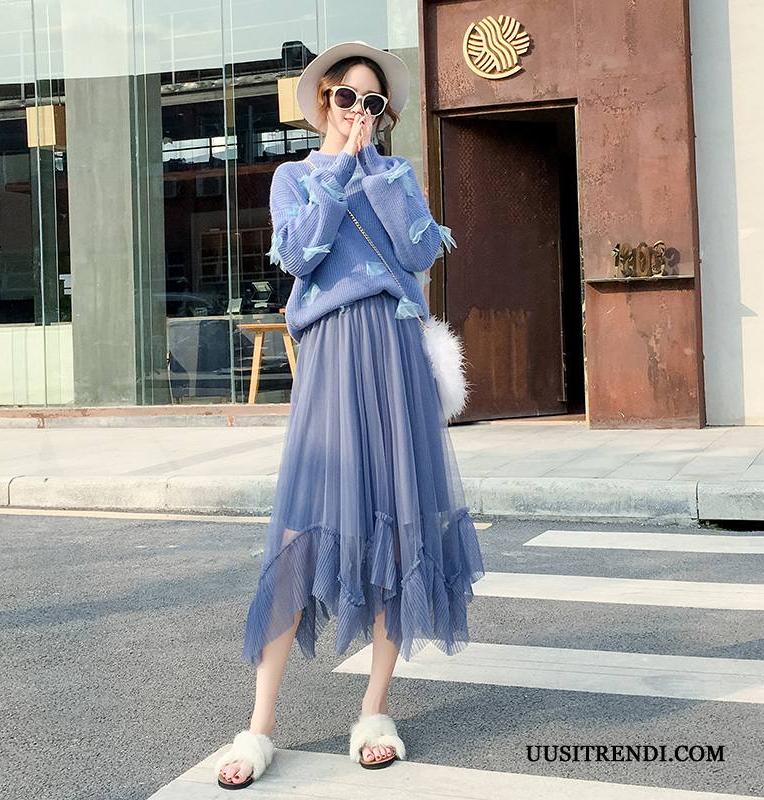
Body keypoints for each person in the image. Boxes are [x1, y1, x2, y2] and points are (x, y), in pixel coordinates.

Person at [215, 40, 485, 790]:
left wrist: (377, 174)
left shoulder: (395, 175)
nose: (359, 111)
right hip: (332, 354)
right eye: (346, 98)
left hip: (394, 354)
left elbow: (420, 253)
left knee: (401, 525)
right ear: (323, 102)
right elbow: (300, 255)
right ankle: (258, 725)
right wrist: (340, 169)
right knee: (302, 529)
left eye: (372, 102)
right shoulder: (295, 176)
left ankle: (374, 712)